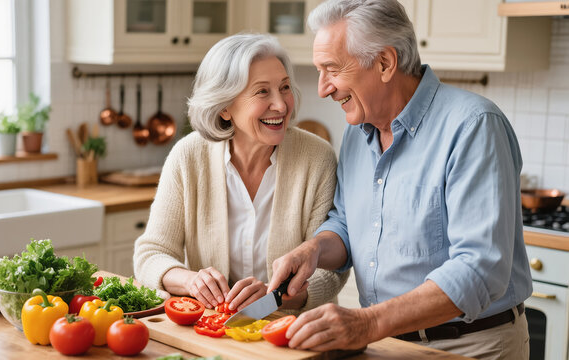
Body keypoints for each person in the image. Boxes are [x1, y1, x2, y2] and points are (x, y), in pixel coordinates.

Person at [267, 1, 532, 359]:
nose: (322, 88)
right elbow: (347, 223)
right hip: (383, 343)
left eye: (331, 69)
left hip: (469, 346)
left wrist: (367, 323)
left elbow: (480, 269)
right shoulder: (358, 133)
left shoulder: (473, 127)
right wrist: (313, 249)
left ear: (385, 63)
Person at [133, 33, 347, 313]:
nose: (281, 105)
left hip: (293, 332)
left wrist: (272, 300)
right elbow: (150, 255)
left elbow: (331, 270)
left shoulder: (317, 158)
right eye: (262, 92)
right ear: (224, 107)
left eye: (284, 87)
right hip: (212, 331)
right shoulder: (188, 156)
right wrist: (192, 282)